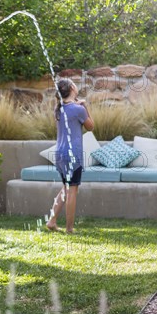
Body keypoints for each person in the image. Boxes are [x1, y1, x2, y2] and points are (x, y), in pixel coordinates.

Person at [46, 78, 94, 234]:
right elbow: (91, 127)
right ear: (72, 88)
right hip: (73, 154)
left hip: (59, 154)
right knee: (72, 190)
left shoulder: (58, 108)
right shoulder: (78, 109)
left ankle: (52, 221)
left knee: (66, 188)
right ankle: (69, 228)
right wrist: (85, 106)